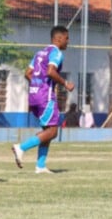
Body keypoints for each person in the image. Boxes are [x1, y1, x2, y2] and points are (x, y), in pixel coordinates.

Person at [12, 25, 75, 173]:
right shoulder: (56, 52)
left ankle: (40, 166)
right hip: (45, 96)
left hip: (34, 94)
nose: (68, 41)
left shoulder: (39, 53)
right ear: (58, 38)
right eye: (66, 38)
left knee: (47, 130)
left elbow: (28, 73)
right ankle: (21, 147)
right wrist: (65, 83)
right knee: (53, 132)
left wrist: (36, 83)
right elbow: (51, 71)